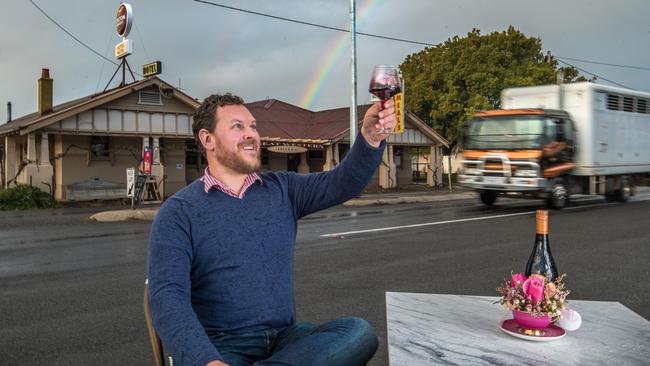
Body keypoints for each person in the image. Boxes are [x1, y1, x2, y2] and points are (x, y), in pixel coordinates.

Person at [147, 92, 396, 366]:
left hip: (284, 339)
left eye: (253, 126)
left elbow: (343, 182)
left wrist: (371, 138)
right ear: (208, 139)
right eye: (237, 126)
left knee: (358, 333)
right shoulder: (178, 212)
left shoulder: (283, 189)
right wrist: (206, 360)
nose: (252, 134)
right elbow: (168, 297)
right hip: (221, 344)